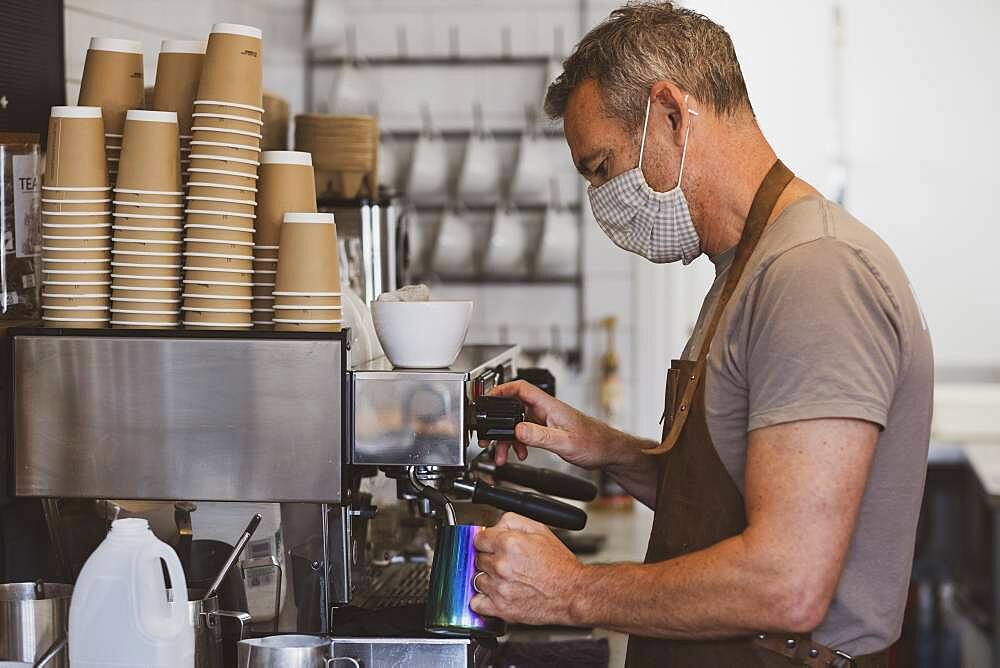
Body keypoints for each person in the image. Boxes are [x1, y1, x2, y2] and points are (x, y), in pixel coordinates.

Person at [469, 2, 933, 666]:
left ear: (669, 113)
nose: (603, 200)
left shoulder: (813, 274)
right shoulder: (748, 266)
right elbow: (735, 499)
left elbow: (787, 584)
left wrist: (572, 590)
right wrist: (606, 449)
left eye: (602, 168)